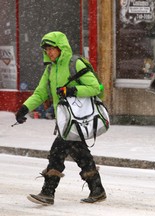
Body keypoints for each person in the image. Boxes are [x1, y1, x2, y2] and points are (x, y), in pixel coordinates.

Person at [15, 31, 106, 205]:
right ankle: (97, 189)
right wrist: (24, 108)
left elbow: (95, 87)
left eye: (52, 48)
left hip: (77, 118)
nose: (49, 52)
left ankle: (48, 193)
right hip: (65, 120)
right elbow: (41, 93)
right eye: (47, 49)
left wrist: (73, 91)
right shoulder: (50, 68)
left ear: (61, 48)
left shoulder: (75, 63)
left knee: (57, 153)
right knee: (81, 154)